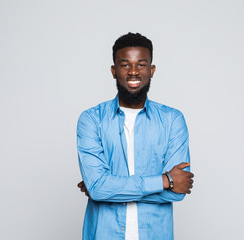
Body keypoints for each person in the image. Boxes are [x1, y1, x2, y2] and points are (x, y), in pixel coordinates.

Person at [76, 32, 194, 240]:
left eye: (141, 64)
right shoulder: (91, 120)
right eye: (124, 65)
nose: (133, 72)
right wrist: (165, 180)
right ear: (114, 71)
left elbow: (178, 191)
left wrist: (109, 188)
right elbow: (97, 189)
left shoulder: (172, 120)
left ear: (152, 70)